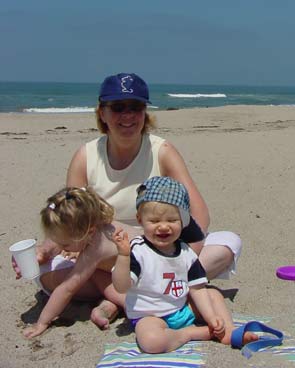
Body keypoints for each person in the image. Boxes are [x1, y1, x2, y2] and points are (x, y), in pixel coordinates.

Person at [13, 72, 242, 327]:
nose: (128, 116)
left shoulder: (161, 151)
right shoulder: (86, 156)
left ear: (145, 113)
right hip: (103, 254)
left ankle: (117, 298)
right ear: (102, 113)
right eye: (118, 107)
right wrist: (44, 251)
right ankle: (143, 298)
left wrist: (178, 257)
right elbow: (69, 221)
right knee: (45, 273)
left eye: (136, 107)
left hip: (160, 245)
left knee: (227, 245)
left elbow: (200, 217)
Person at [112, 176, 257, 353]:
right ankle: (190, 333)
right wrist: (123, 256)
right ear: (140, 220)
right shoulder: (138, 251)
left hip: (182, 308)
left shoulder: (186, 252)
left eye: (172, 220)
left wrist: (211, 317)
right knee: (152, 341)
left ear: (182, 221)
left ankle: (227, 330)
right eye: (155, 221)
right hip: (151, 316)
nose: (164, 227)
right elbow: (121, 286)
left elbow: (197, 288)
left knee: (212, 294)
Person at [23, 186, 125, 338]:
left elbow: (67, 288)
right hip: (141, 265)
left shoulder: (96, 247)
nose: (63, 249)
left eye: (65, 245)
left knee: (102, 280)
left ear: (88, 232)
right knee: (97, 272)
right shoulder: (102, 226)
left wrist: (42, 323)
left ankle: (137, 307)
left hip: (145, 274)